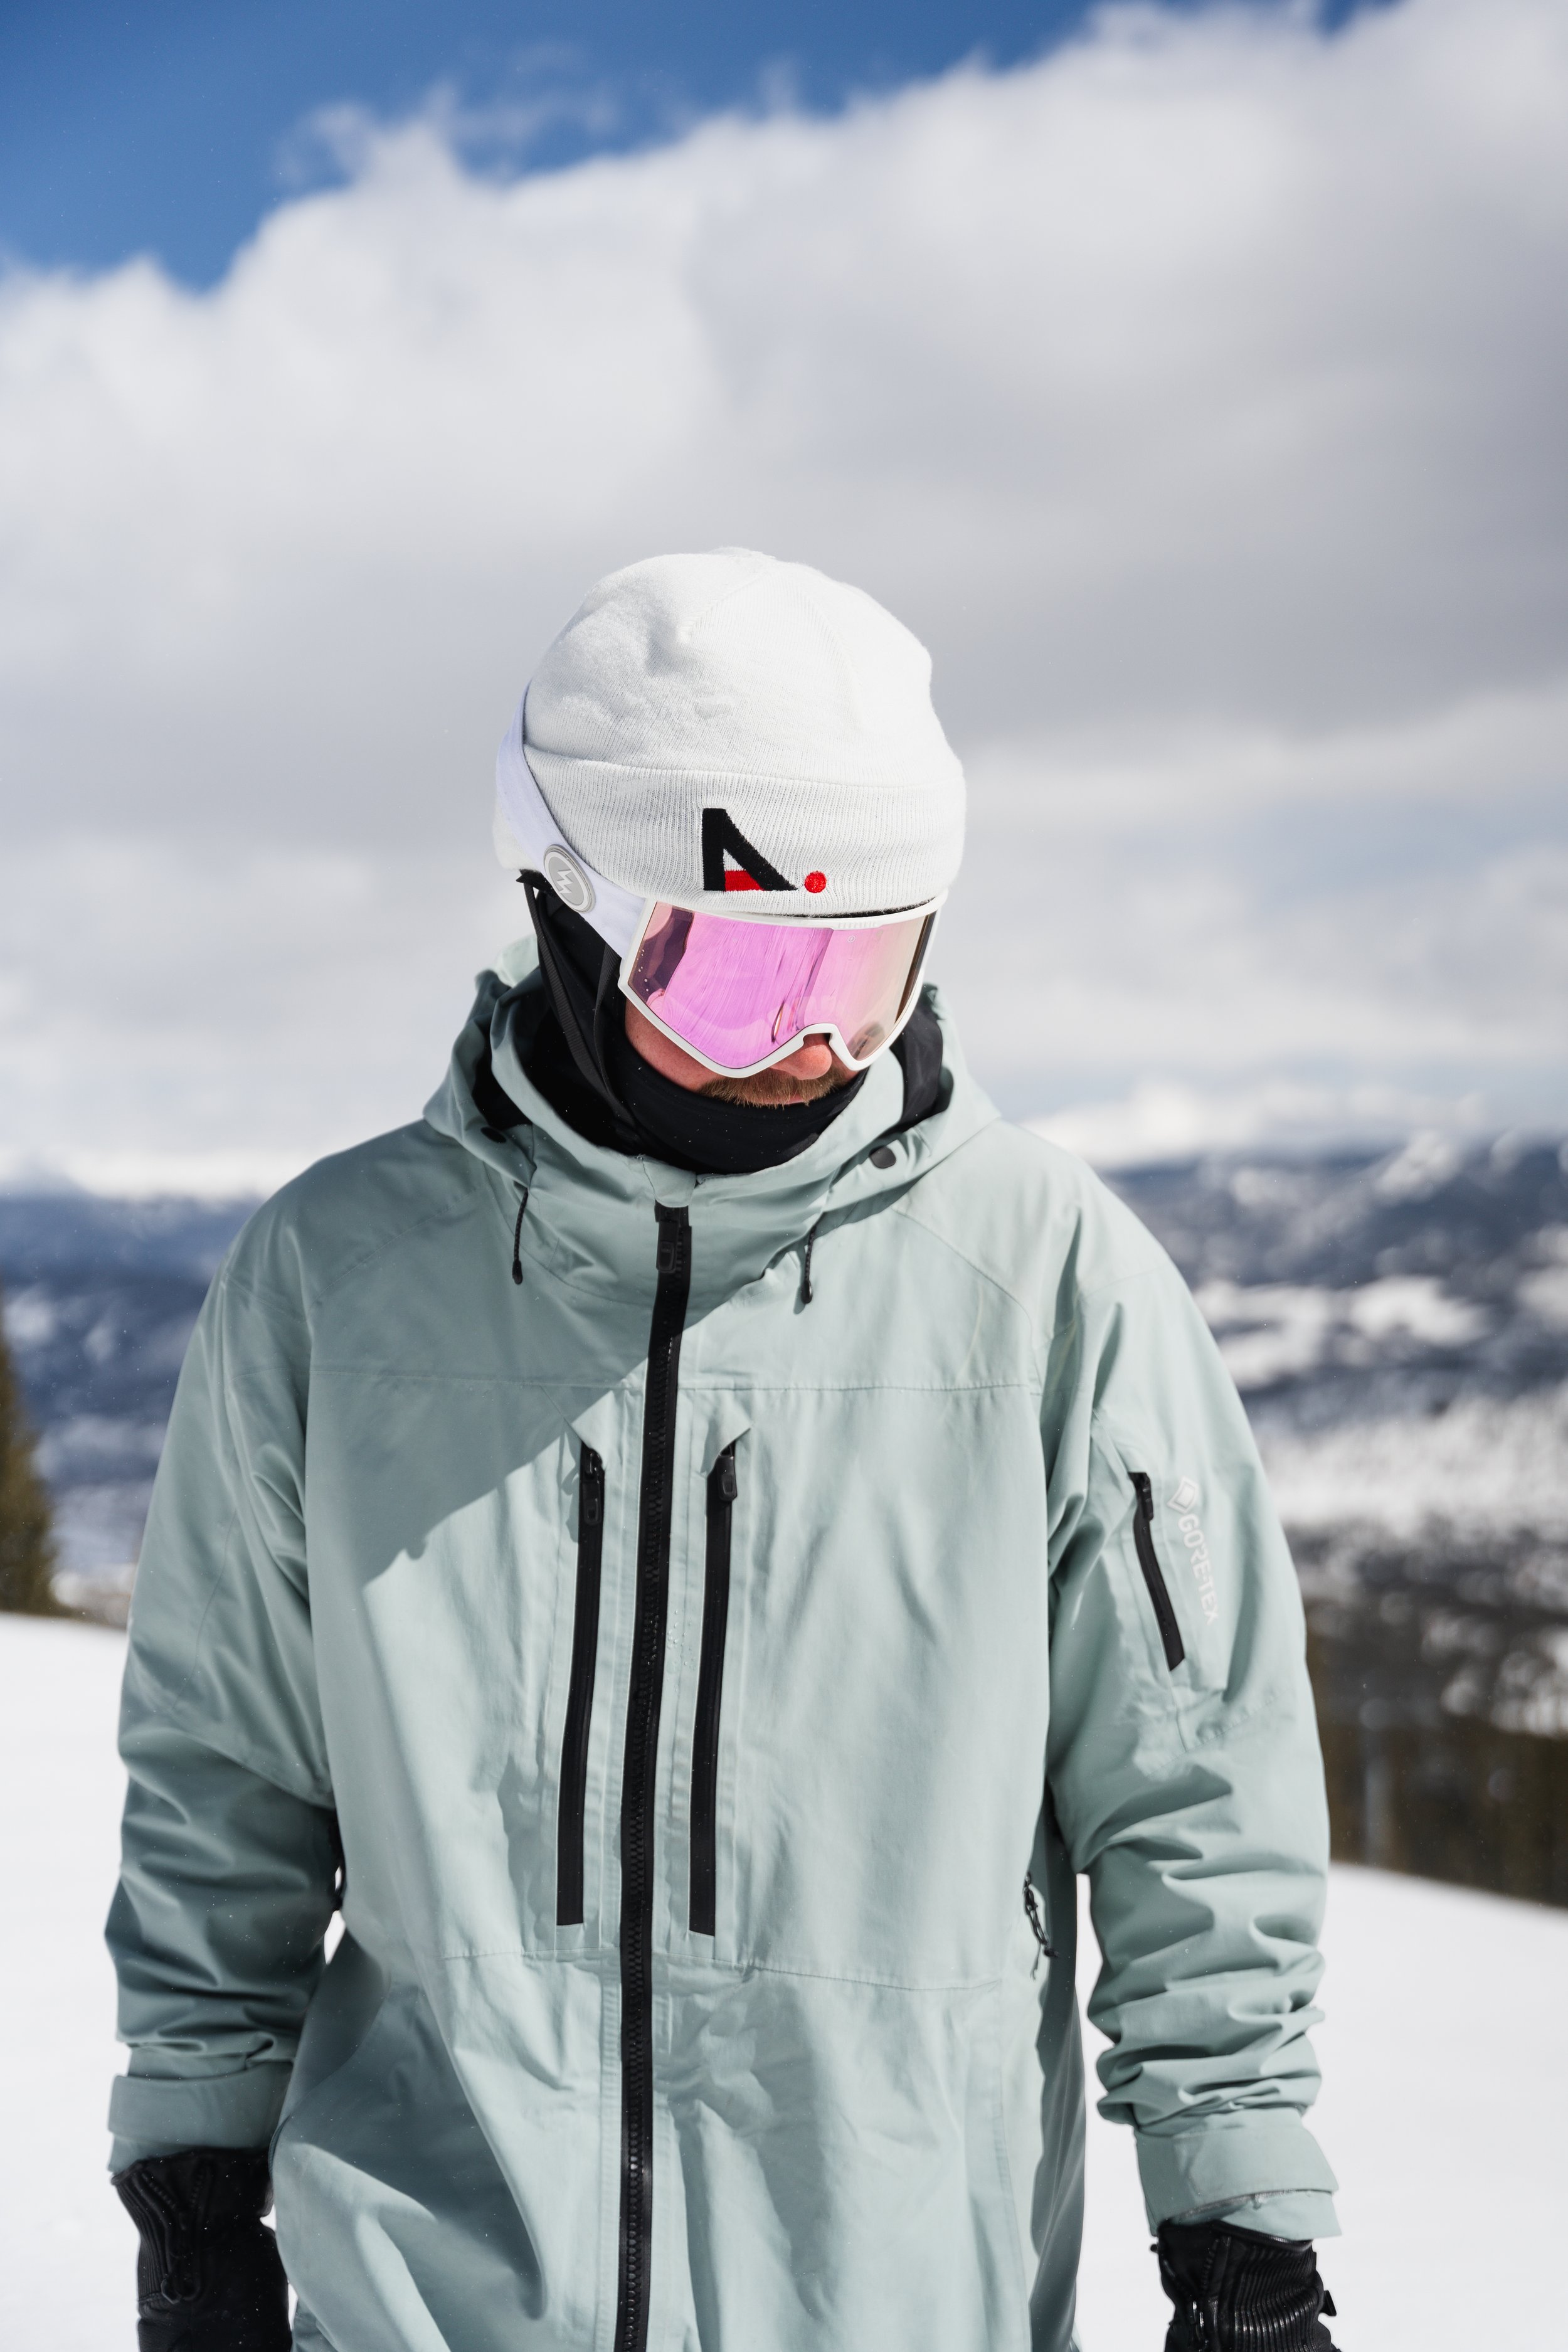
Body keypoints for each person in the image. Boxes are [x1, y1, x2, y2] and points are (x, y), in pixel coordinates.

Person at [107, 549, 1340, 2352]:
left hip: (900, 2291)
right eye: (749, 981)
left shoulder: (1045, 1280)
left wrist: (1237, 2224)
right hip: (421, 2299)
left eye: (876, 964)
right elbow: (226, 1770)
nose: (820, 1048)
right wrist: (198, 2185)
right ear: (568, 908)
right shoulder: (336, 1281)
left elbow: (1193, 1781)